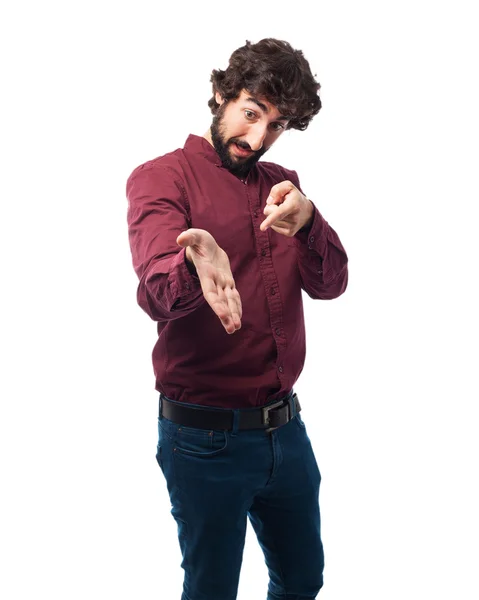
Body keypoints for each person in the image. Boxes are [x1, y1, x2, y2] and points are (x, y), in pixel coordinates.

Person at [126, 38, 348, 600]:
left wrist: (310, 219)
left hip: (286, 431)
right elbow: (155, 292)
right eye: (251, 113)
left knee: (302, 579)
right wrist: (195, 260)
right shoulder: (161, 178)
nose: (256, 138)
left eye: (275, 125)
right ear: (221, 94)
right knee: (211, 590)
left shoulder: (283, 186)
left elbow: (331, 284)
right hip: (202, 439)